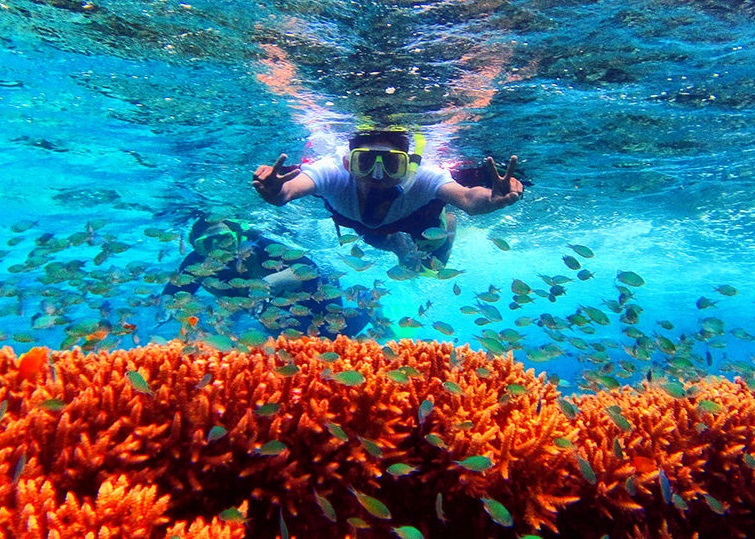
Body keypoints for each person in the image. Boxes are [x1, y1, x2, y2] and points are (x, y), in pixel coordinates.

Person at [252, 129, 523, 270]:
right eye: (366, 162)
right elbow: (289, 191)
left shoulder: (426, 175)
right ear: (348, 164)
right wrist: (277, 192)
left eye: (392, 164)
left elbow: (466, 198)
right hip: (362, 222)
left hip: (418, 216)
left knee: (433, 258)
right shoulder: (331, 171)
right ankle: (397, 245)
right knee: (381, 240)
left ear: (408, 167)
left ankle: (447, 225)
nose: (378, 174)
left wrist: (491, 198)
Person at [160, 216, 372, 339]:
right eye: (208, 243)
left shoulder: (259, 244)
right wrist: (174, 313)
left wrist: (267, 284)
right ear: (199, 247)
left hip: (314, 287)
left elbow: (309, 268)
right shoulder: (196, 263)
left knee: (337, 333)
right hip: (273, 307)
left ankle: (369, 309)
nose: (218, 248)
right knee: (284, 339)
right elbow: (172, 294)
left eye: (225, 239)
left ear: (238, 236)